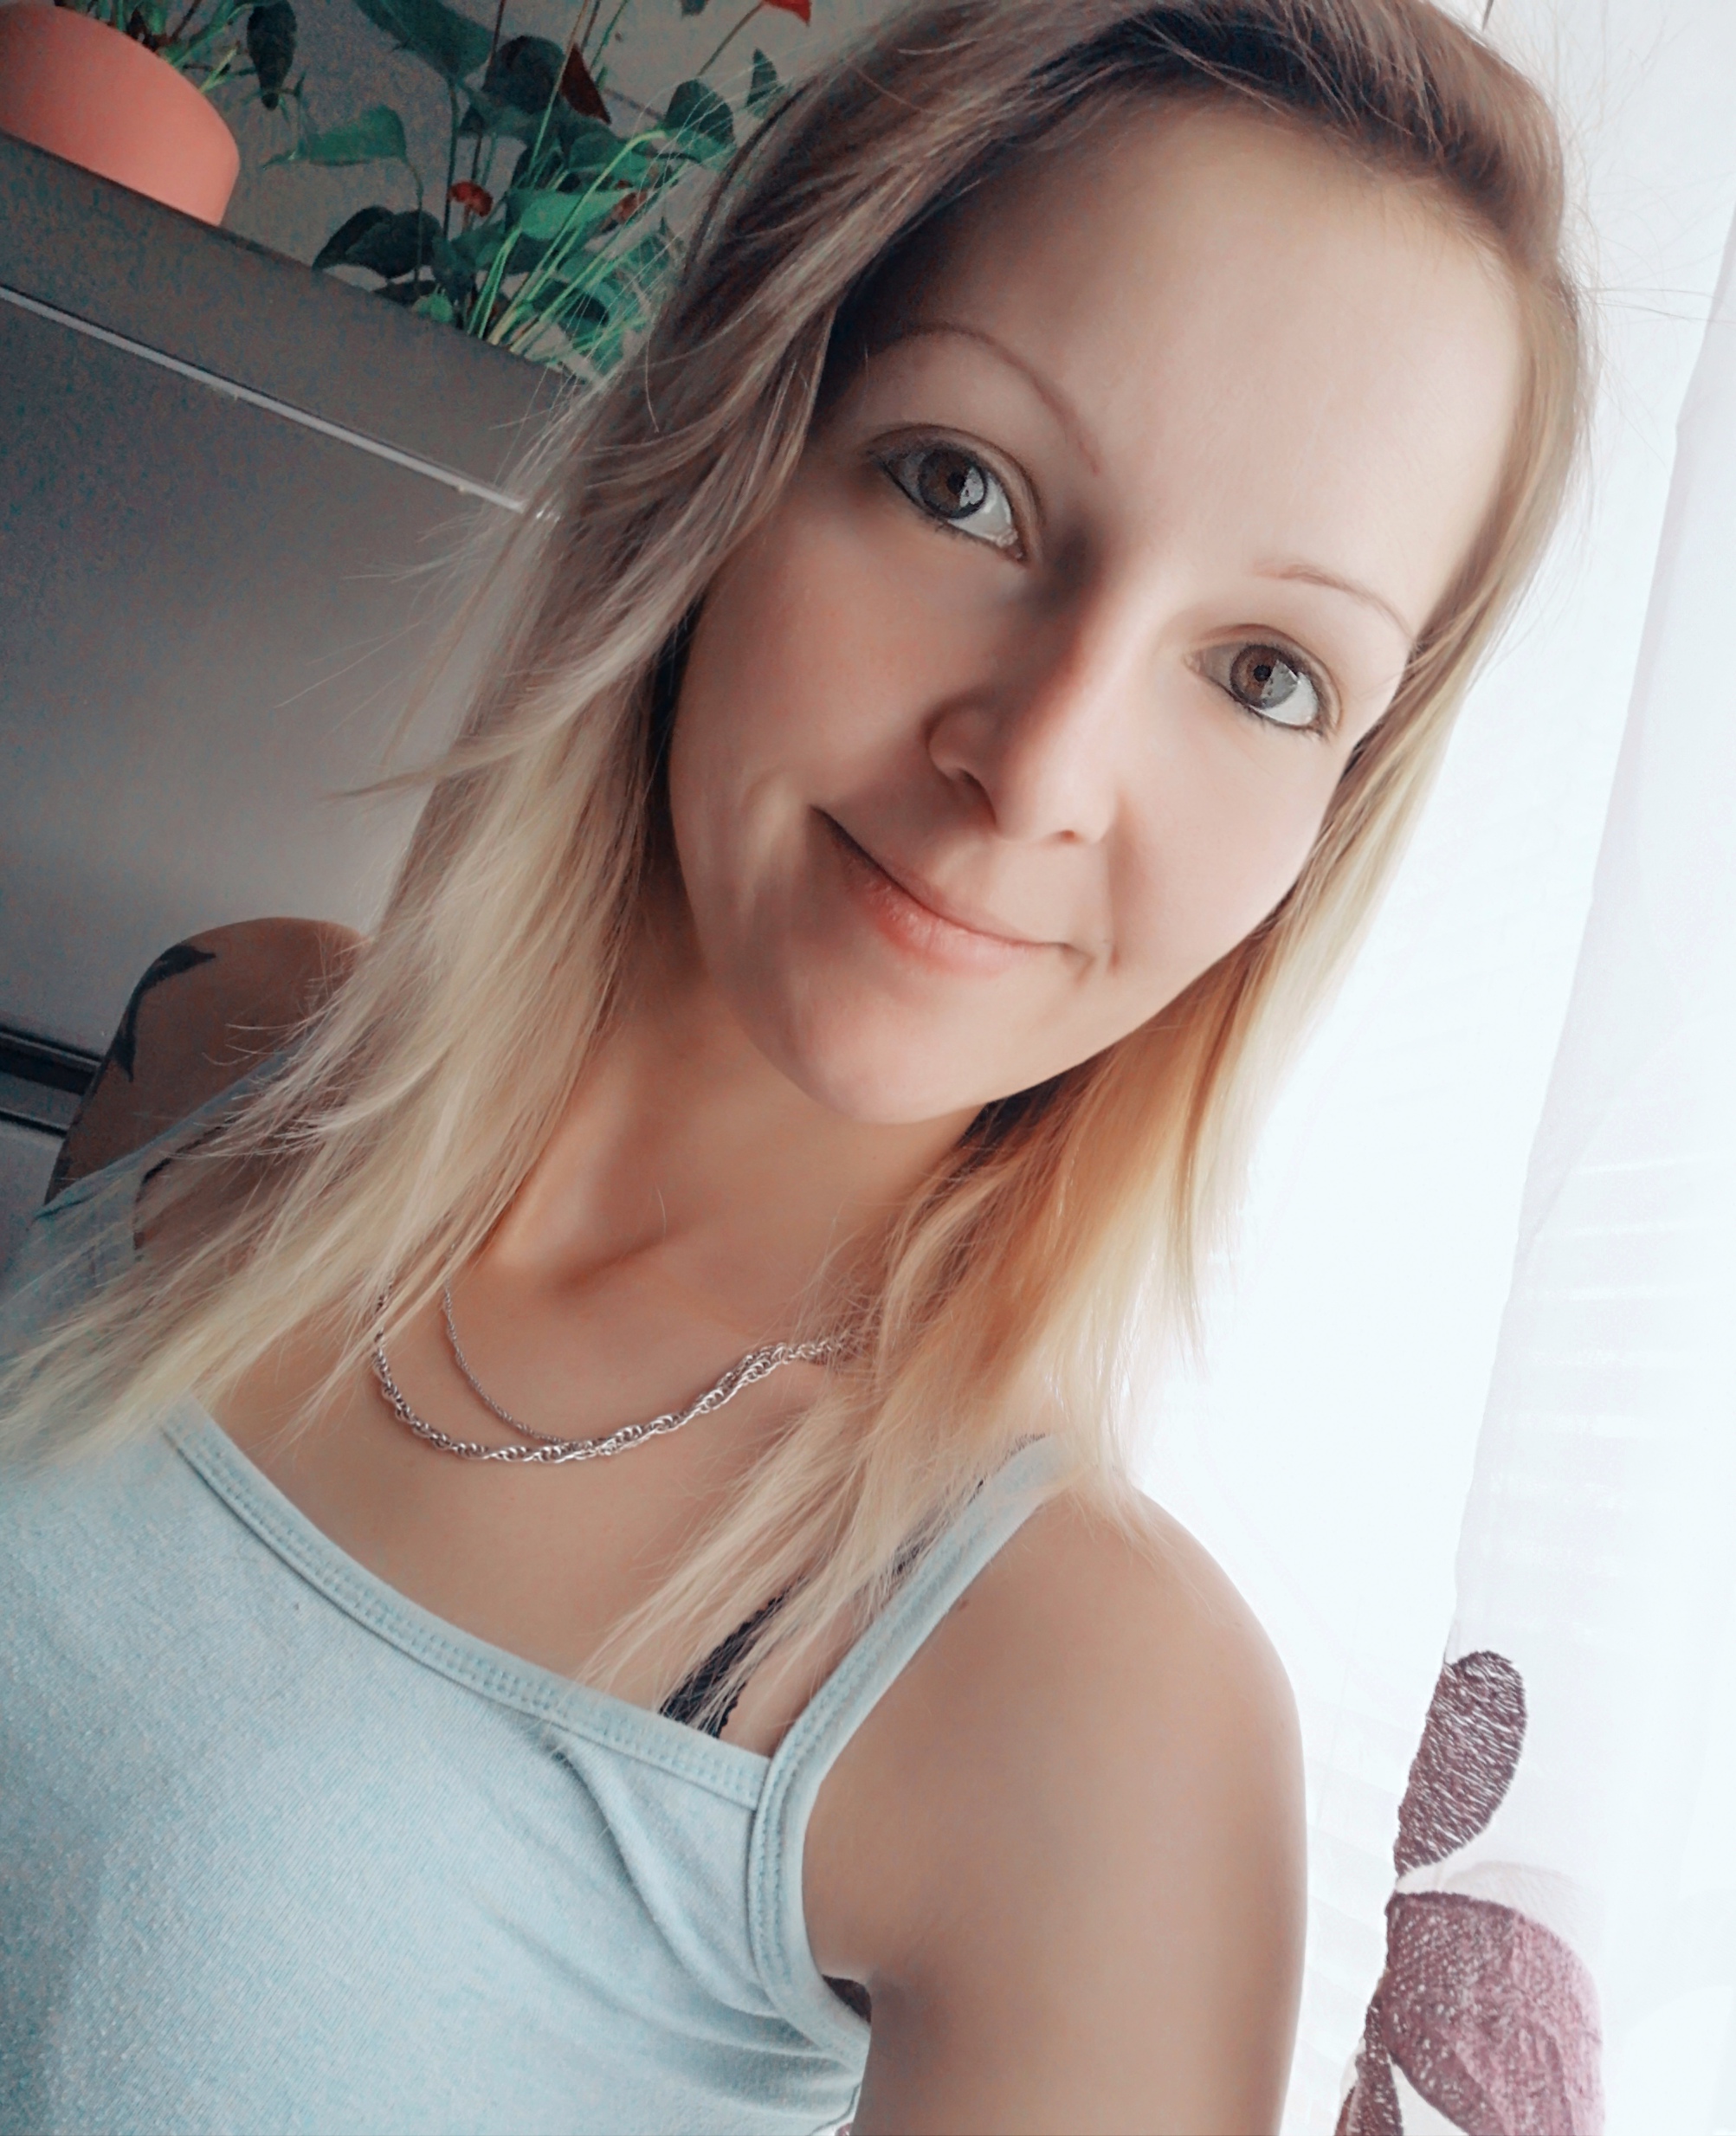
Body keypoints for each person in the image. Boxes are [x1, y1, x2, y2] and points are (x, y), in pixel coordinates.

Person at [0, 1, 1584, 2128]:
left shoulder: (1093, 1709)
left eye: (1265, 673)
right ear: (728, 441)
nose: (1041, 768)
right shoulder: (222, 1045)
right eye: (964, 488)